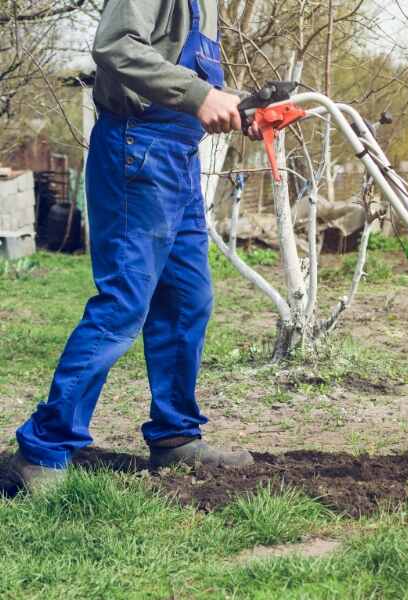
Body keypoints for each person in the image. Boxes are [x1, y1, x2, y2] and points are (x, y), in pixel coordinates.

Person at [10, 0, 261, 492]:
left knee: (187, 299)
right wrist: (197, 94)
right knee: (125, 302)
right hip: (137, 148)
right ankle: (42, 450)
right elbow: (115, 46)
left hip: (178, 156)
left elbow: (181, 74)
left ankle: (175, 437)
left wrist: (233, 106)